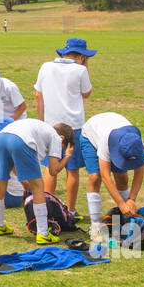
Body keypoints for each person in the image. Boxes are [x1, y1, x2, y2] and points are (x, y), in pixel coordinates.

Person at [0, 118, 74, 243]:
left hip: (2, 137)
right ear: (62, 138)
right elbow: (53, 171)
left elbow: (13, 163)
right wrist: (67, 156)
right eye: (62, 148)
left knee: (0, 184)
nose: (59, 151)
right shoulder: (56, 137)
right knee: (38, 186)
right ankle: (43, 233)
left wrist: (23, 180)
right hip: (21, 140)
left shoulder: (42, 129)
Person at [33, 38, 94, 210]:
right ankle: (71, 210)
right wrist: (85, 67)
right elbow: (87, 93)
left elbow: (38, 95)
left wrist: (43, 121)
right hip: (74, 126)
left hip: (51, 125)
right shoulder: (80, 70)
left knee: (49, 168)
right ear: (81, 56)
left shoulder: (45, 66)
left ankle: (48, 209)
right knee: (72, 170)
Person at [77, 111, 144, 240]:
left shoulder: (137, 142)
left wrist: (131, 199)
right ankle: (95, 226)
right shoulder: (105, 140)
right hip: (91, 136)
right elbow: (106, 176)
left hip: (116, 133)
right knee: (95, 177)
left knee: (122, 179)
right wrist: (121, 203)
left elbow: (139, 172)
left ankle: (126, 219)